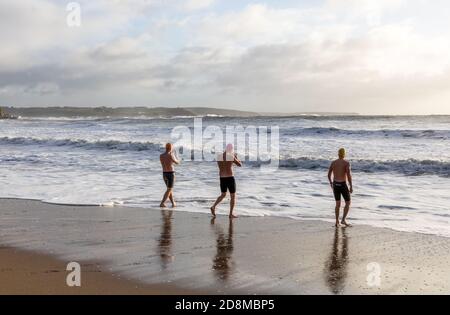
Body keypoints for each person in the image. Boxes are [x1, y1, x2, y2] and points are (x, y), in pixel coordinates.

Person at [210, 144, 242, 219]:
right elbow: (240, 164)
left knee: (223, 194)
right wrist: (236, 157)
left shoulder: (219, 157)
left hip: (222, 178)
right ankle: (231, 214)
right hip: (230, 178)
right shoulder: (231, 156)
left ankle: (213, 206)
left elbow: (221, 166)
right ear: (231, 149)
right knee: (233, 196)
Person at [328, 148, 353, 227]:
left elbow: (329, 174)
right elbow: (348, 175)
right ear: (344, 154)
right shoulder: (346, 163)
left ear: (338, 154)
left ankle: (336, 222)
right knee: (348, 203)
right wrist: (351, 186)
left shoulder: (333, 163)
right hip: (342, 185)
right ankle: (343, 220)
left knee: (337, 204)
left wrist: (331, 183)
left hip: (335, 184)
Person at [160, 143, 180, 208]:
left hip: (164, 173)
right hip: (170, 173)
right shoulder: (170, 155)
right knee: (169, 189)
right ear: (170, 148)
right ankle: (162, 203)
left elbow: (164, 163)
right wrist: (176, 156)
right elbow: (177, 162)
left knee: (169, 189)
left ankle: (173, 203)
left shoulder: (161, 155)